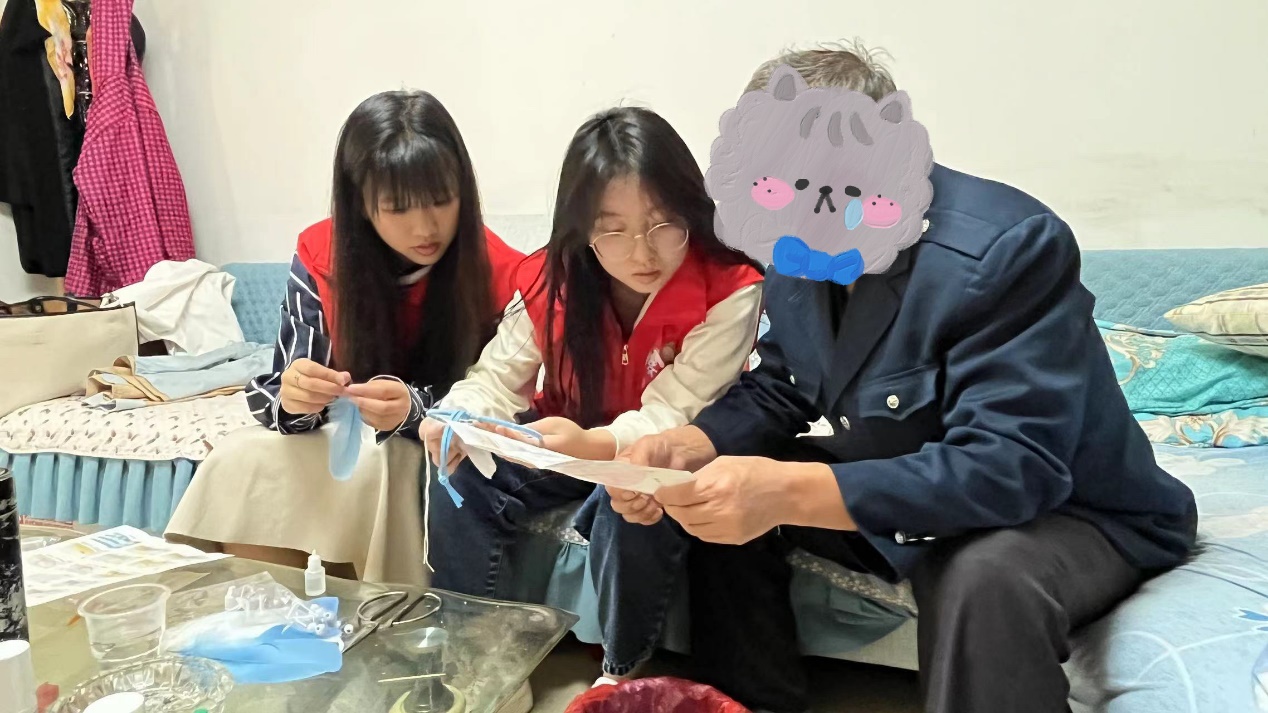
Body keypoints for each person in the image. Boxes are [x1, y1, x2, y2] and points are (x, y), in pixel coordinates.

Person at [610, 44, 1198, 713]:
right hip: (905, 472)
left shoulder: (1006, 248)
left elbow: (1011, 468)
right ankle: (753, 700)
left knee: (982, 573)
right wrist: (694, 444)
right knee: (711, 493)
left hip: (1068, 508)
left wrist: (788, 491)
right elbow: (785, 380)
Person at [421, 106, 765, 685]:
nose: (642, 253)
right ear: (582, 228)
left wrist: (597, 445)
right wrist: (458, 416)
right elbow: (497, 376)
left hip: (665, 450)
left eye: (662, 224)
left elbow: (674, 410)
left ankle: (621, 671)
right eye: (613, 229)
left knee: (629, 489)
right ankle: (474, 652)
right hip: (563, 442)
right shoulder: (549, 278)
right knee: (458, 467)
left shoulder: (729, 287)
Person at [166, 90, 525, 576]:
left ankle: (372, 614)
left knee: (380, 462)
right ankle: (268, 612)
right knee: (240, 454)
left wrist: (414, 410)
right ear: (360, 205)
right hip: (343, 434)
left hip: (427, 448)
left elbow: (504, 402)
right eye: (397, 208)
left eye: (442, 200)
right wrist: (296, 397)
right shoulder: (323, 256)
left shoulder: (503, 273)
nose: (426, 227)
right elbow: (285, 388)